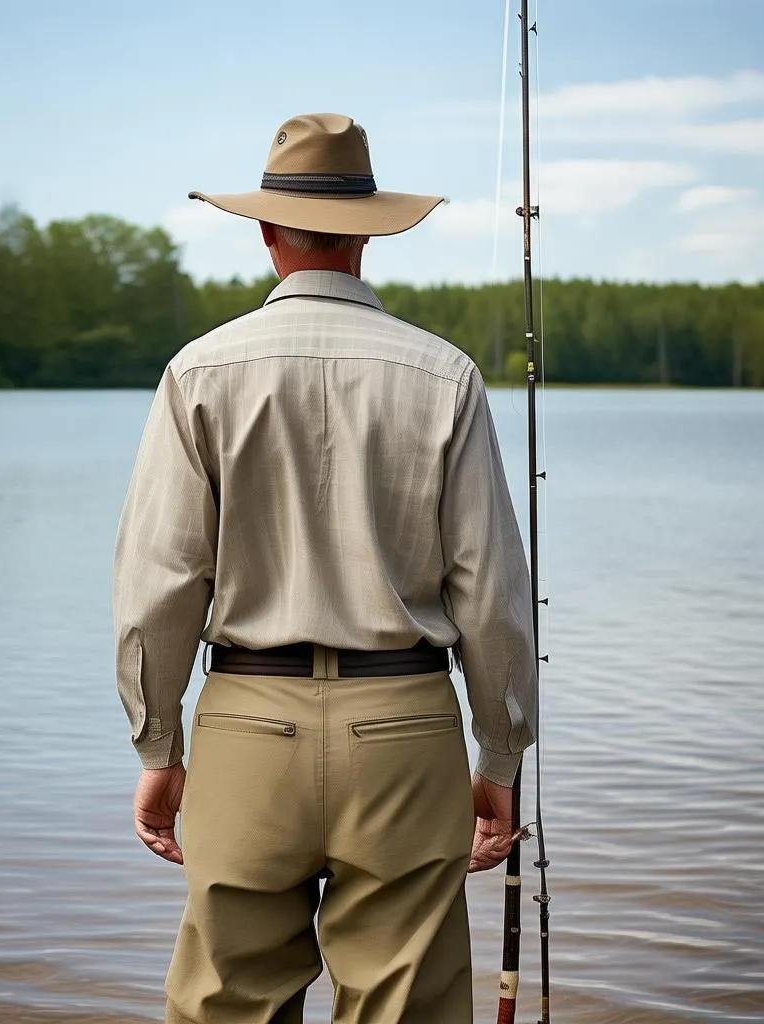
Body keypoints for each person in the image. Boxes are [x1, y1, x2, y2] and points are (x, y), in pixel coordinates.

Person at [113, 112, 537, 1024]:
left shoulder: (197, 373)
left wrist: (159, 744)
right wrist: (499, 756)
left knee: (226, 1005)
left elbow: (159, 591)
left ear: (266, 231)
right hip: (405, 734)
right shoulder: (446, 376)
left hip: (245, 727)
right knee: (404, 1007)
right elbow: (494, 598)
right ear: (368, 233)